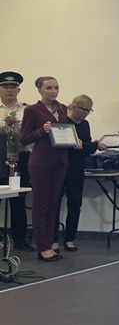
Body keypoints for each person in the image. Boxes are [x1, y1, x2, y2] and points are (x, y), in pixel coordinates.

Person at [20, 76, 74, 261]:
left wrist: (74, 140)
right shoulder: (32, 110)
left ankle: (51, 242)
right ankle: (42, 246)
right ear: (40, 90)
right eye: (49, 88)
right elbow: (24, 138)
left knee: (54, 203)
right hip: (41, 162)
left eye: (56, 87)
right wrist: (41, 131)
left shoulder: (63, 108)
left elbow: (66, 131)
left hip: (60, 161)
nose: (54, 91)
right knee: (41, 204)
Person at [59, 94, 103, 251]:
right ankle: (52, 239)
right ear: (73, 106)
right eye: (83, 109)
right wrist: (90, 146)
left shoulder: (85, 124)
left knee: (75, 204)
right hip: (61, 167)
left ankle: (70, 238)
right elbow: (68, 145)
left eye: (89, 110)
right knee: (55, 204)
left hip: (77, 168)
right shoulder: (63, 122)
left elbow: (86, 147)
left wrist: (91, 145)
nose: (85, 113)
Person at [0, 71, 32, 251]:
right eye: (5, 86)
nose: (9, 90)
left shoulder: (27, 110)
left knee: (19, 200)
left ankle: (20, 239)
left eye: (13, 86)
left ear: (18, 89)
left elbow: (31, 136)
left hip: (21, 160)